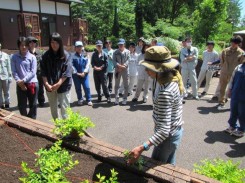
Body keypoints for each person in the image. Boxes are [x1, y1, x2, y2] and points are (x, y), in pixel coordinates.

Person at [127, 46, 184, 165]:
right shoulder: (170, 76)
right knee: (168, 167)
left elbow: (164, 131)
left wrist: (141, 147)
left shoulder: (165, 91)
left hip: (167, 138)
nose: (146, 70)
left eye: (149, 67)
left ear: (160, 69)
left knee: (157, 169)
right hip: (175, 131)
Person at [41, 32, 72, 119]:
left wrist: (58, 83)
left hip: (63, 85)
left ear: (60, 43)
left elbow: (67, 72)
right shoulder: (45, 56)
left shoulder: (66, 55)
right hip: (50, 86)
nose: (54, 45)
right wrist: (46, 84)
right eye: (52, 42)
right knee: (53, 109)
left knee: (65, 109)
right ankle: (58, 127)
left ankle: (67, 129)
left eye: (56, 43)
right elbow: (43, 71)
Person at [11, 37, 38, 119]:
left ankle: (32, 121)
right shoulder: (14, 57)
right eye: (21, 45)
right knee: (21, 105)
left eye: (25, 45)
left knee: (33, 105)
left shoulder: (32, 57)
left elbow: (33, 72)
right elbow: (14, 71)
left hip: (32, 83)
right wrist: (19, 81)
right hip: (20, 83)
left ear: (28, 46)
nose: (24, 47)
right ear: (18, 46)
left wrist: (24, 80)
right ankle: (24, 121)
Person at [217, 35, 244, 110]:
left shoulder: (241, 53)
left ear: (238, 43)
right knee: (222, 88)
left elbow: (242, 64)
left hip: (235, 74)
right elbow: (221, 61)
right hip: (224, 72)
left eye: (235, 43)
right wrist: (222, 69)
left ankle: (234, 104)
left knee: (235, 89)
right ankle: (221, 102)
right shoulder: (225, 51)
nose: (233, 44)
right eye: (232, 42)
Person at [225, 53, 245, 137]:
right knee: (233, 110)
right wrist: (229, 89)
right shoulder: (239, 67)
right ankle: (232, 126)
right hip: (235, 92)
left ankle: (241, 129)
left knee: (242, 112)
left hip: (243, 95)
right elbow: (232, 79)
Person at [72, 41, 92, 106]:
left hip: (84, 74)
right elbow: (71, 65)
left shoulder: (85, 55)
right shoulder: (72, 56)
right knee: (78, 87)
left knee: (86, 87)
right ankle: (80, 99)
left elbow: (88, 64)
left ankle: (88, 99)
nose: (79, 48)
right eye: (77, 47)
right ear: (75, 48)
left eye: (80, 46)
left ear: (82, 47)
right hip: (76, 75)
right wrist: (77, 73)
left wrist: (84, 72)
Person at [27, 36, 45, 107]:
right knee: (31, 88)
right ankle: (32, 102)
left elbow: (43, 63)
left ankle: (41, 101)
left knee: (41, 88)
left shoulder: (40, 52)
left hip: (39, 73)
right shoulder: (26, 53)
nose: (32, 43)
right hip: (30, 75)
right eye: (30, 42)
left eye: (34, 42)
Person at [113, 38, 130, 105]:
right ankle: (116, 98)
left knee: (126, 85)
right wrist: (119, 66)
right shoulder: (115, 52)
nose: (120, 46)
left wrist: (123, 66)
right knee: (117, 85)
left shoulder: (128, 51)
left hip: (125, 70)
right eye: (119, 44)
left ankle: (124, 99)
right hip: (117, 70)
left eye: (122, 44)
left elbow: (128, 60)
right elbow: (114, 61)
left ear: (124, 44)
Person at [0, 43, 12, 109]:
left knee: (6, 91)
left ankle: (7, 103)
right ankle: (1, 105)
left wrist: (10, 76)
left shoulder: (5, 55)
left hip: (5, 76)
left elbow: (9, 66)